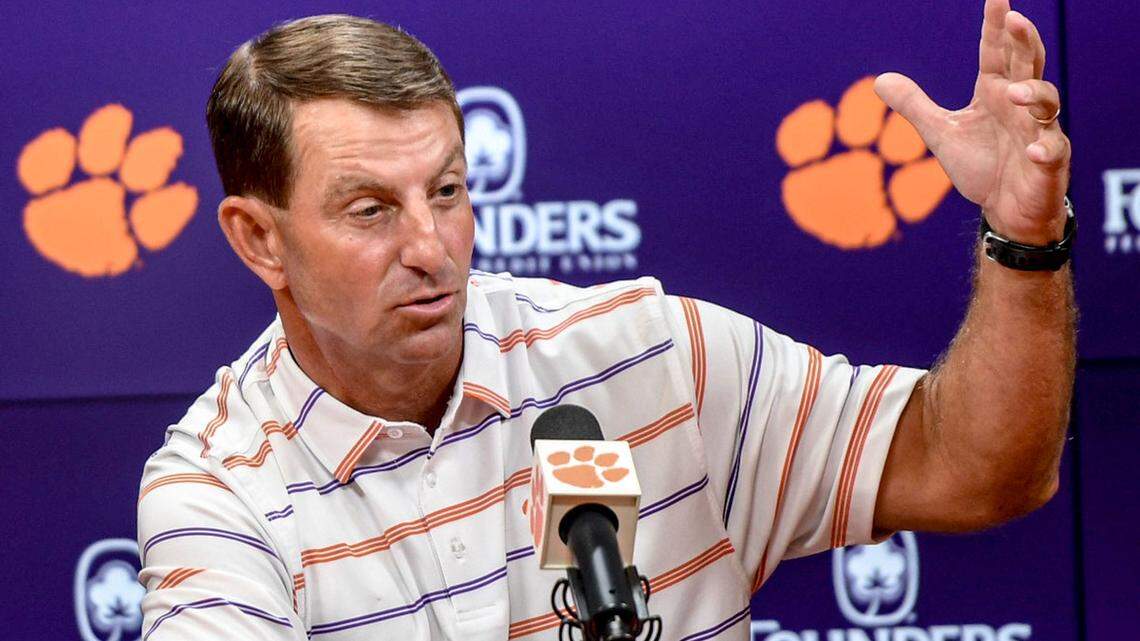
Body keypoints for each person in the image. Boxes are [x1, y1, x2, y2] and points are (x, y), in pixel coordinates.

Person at [136, 2, 1074, 639]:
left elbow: (980, 468)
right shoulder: (219, 491)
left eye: (449, 190)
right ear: (259, 239)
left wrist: (1022, 238)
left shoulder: (643, 357)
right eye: (371, 209)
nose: (433, 246)